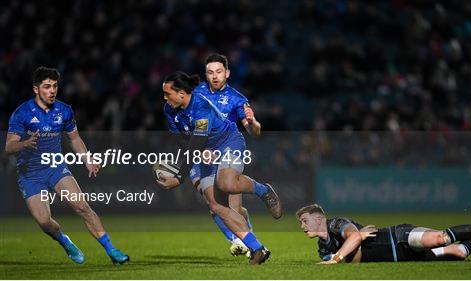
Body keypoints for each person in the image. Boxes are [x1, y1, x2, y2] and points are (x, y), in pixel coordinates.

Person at [5, 67, 129, 265]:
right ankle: (65, 241)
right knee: (44, 221)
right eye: (47, 87)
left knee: (82, 206)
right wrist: (25, 143)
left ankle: (112, 250)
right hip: (30, 175)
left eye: (54, 86)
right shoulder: (22, 113)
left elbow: (75, 139)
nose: (52, 90)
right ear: (36, 89)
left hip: (55, 167)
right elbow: (9, 146)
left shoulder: (64, 110)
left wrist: (87, 159)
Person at [156, 71, 282, 265]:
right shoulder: (169, 109)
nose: (164, 98)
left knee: (227, 183)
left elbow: (197, 142)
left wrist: (179, 178)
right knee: (216, 206)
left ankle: (263, 190)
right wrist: (199, 153)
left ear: (181, 93)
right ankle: (257, 248)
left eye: (167, 93)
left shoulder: (201, 106)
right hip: (202, 151)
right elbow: (181, 140)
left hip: (228, 142)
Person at [190, 53, 261, 257]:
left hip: (226, 151)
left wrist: (253, 123)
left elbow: (253, 130)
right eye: (210, 72)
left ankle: (245, 241)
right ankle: (240, 241)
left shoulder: (237, 98)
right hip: (201, 154)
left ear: (227, 73)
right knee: (215, 207)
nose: (214, 76)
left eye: (219, 72)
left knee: (234, 209)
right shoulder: (196, 94)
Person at [296, 204, 471, 264]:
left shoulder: (338, 223)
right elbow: (354, 258)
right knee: (458, 253)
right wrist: (353, 244)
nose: (302, 227)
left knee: (439, 238)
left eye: (305, 221)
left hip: (399, 237)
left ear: (319, 219)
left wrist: (341, 254)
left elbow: (354, 239)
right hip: (404, 257)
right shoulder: (322, 248)